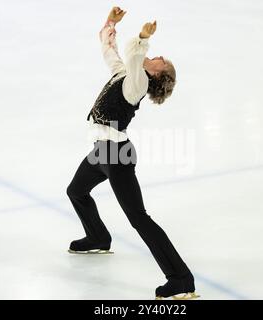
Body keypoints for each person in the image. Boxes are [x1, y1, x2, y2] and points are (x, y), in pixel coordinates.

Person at [66, 6, 198, 300]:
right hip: (102, 152)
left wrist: (141, 37)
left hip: (117, 156)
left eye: (158, 59)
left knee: (139, 218)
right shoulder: (125, 75)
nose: (153, 56)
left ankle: (181, 279)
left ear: (157, 73)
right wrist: (110, 23)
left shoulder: (138, 83)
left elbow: (134, 54)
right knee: (76, 191)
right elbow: (110, 50)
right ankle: (98, 237)